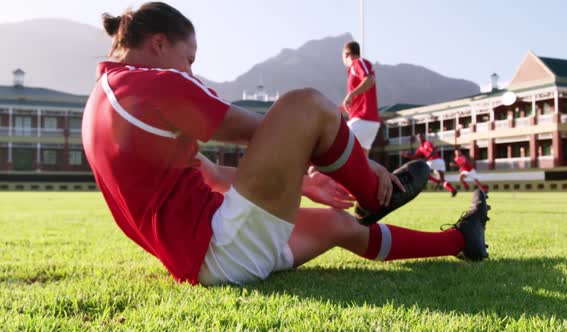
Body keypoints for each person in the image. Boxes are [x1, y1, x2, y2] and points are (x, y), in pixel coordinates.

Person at [82, 2, 490, 286]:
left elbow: (208, 173)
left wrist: (305, 184)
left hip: (204, 260)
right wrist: (363, 171)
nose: (191, 69)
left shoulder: (103, 101)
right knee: (305, 105)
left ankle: (460, 241)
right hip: (220, 243)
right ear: (158, 44)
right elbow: (261, 130)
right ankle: (374, 193)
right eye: (189, 58)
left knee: (338, 225)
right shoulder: (147, 84)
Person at [341, 41, 380, 155]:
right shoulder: (352, 71)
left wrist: (350, 94)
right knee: (362, 165)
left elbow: (370, 79)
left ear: (347, 54)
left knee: (330, 147)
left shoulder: (358, 62)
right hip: (367, 122)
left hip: (363, 120)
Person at [402, 133, 457, 197]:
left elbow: (433, 151)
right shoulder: (420, 147)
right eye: (418, 137)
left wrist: (426, 158)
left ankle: (436, 181)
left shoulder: (427, 143)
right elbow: (415, 156)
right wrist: (407, 154)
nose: (419, 138)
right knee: (442, 180)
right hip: (438, 161)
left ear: (423, 136)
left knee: (422, 171)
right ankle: (453, 190)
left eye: (421, 136)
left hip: (435, 160)